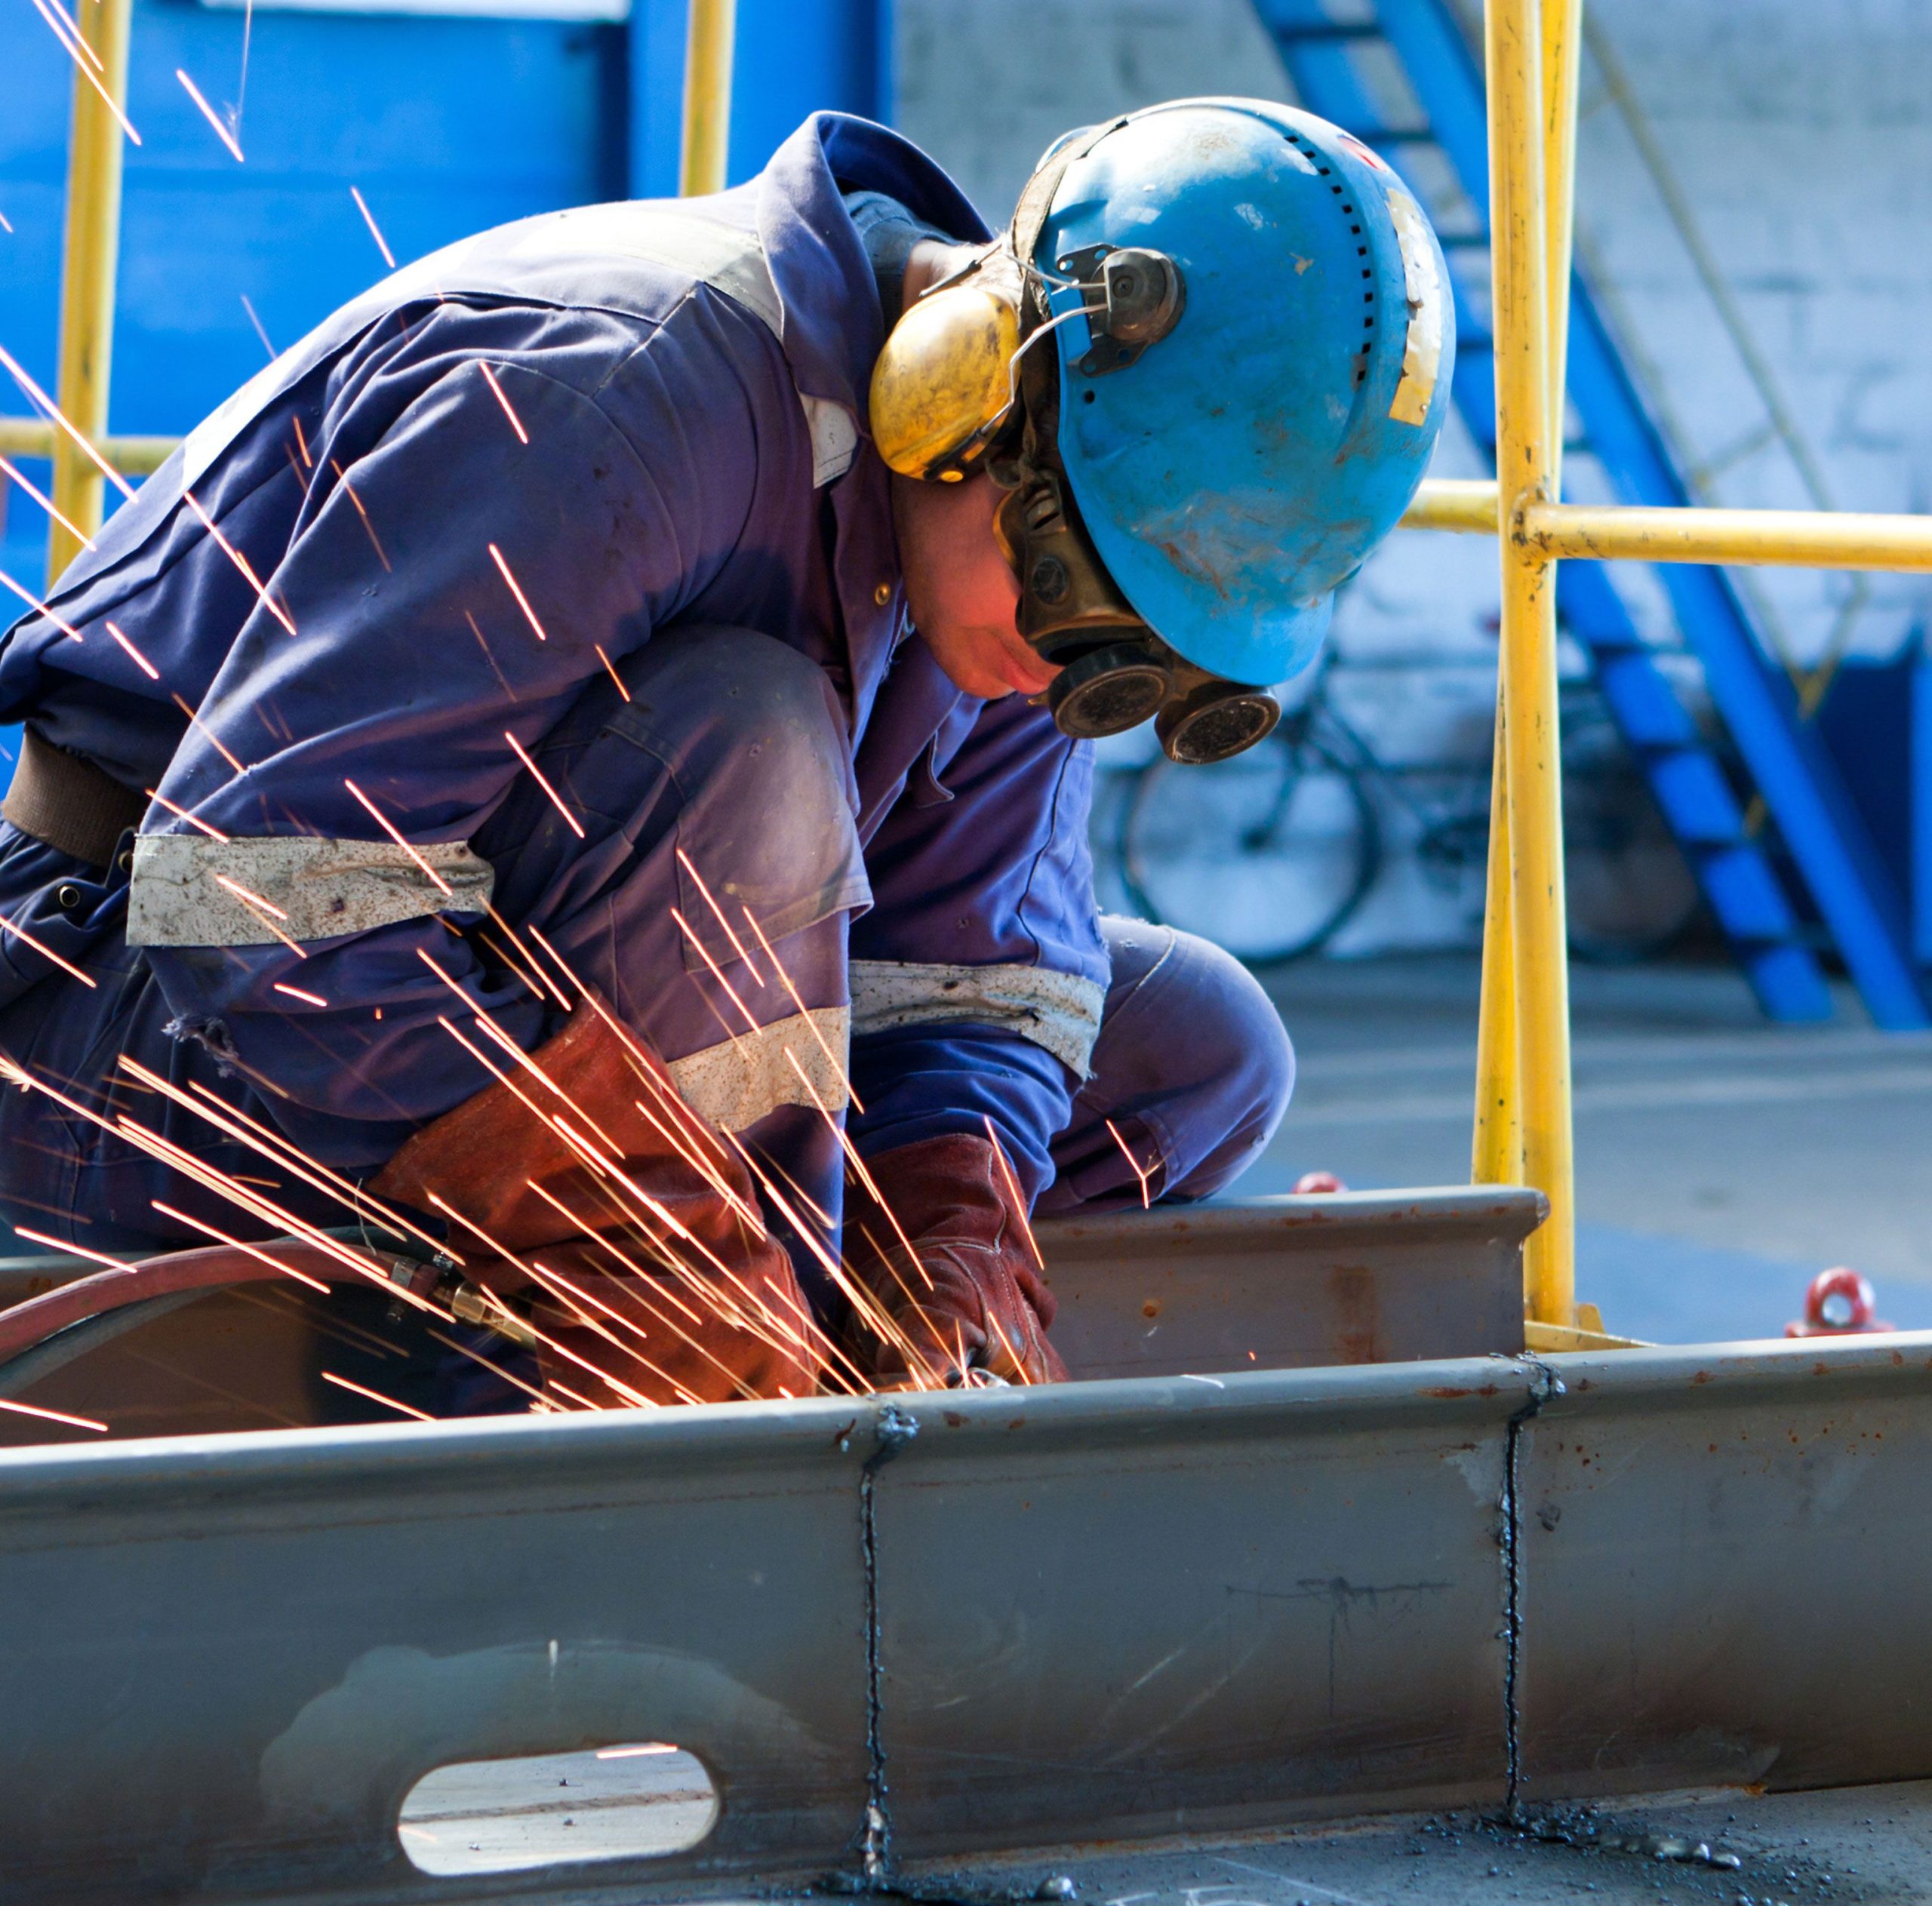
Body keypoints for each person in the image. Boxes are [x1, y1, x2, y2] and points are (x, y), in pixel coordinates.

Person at [0, 101, 1451, 1406]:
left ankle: (770, 1318)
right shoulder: (624, 398)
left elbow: (982, 973)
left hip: (520, 987)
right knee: (749, 746)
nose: (1075, 677)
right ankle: (556, 1382)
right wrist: (625, 1224)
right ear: (971, 389)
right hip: (123, 1022)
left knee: (1200, 1046)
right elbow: (248, 900)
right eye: (1087, 602)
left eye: (1138, 659)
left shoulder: (1013, 572)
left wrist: (947, 1220)